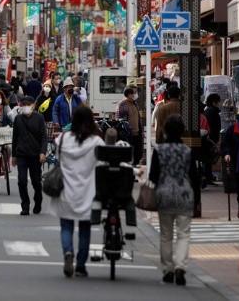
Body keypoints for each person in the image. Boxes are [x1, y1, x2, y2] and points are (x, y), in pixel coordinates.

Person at [49, 105, 104, 278]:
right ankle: (80, 266)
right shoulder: (96, 142)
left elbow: (56, 156)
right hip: (87, 192)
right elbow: (104, 163)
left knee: (66, 226)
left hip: (66, 191)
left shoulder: (64, 140)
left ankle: (67, 252)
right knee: (84, 229)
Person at [147, 115, 194, 286]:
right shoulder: (188, 151)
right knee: (183, 234)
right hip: (185, 194)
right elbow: (194, 177)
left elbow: (152, 175)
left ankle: (167, 269)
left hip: (164, 194)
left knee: (166, 235)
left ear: (165, 130)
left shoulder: (159, 150)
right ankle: (181, 267)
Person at [11, 96, 47, 215]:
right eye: (23, 104)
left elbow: (43, 137)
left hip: (35, 155)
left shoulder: (39, 118)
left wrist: (43, 152)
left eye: (28, 104)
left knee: (36, 182)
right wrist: (14, 155)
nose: (26, 106)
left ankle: (38, 201)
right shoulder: (18, 119)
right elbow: (15, 137)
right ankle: (25, 206)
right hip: (22, 154)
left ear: (33, 105)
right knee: (22, 180)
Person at [115, 86, 142, 164]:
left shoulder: (134, 103)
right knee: (129, 154)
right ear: (129, 94)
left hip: (136, 133)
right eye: (133, 93)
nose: (135, 95)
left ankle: (135, 164)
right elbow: (121, 120)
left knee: (137, 153)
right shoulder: (122, 104)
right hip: (128, 134)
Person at [202, 93, 222, 186]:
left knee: (208, 159)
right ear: (214, 102)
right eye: (218, 102)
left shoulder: (209, 110)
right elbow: (210, 126)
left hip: (210, 138)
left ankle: (208, 177)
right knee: (208, 159)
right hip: (210, 138)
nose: (219, 104)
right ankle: (207, 178)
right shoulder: (211, 111)